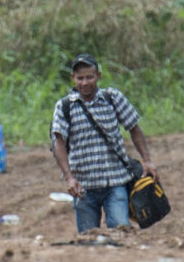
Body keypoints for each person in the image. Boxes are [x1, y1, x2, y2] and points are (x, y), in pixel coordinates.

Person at [51, 54, 158, 233]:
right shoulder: (64, 107)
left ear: (98, 76)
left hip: (115, 182)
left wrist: (147, 160)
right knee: (88, 239)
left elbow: (134, 128)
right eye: (80, 78)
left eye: (89, 77)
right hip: (83, 187)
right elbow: (58, 143)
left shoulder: (113, 99)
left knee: (121, 233)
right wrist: (69, 177)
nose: (85, 83)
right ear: (73, 78)